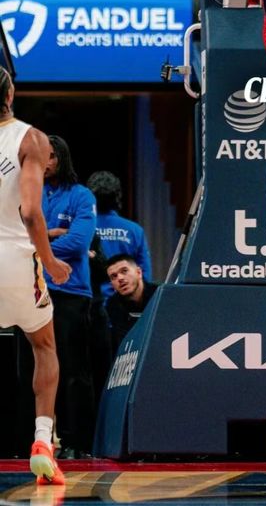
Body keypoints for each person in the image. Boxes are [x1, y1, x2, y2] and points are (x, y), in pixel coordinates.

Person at [0, 67, 71, 484]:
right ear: (10, 94)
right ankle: (43, 442)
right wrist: (50, 261)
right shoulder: (31, 139)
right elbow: (30, 212)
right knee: (44, 346)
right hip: (13, 259)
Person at [42, 135, 97, 458]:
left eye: (51, 156)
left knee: (74, 371)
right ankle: (31, 440)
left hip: (71, 293)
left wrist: (35, 245)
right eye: (40, 156)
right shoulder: (29, 194)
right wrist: (49, 236)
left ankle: (78, 443)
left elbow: (78, 243)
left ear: (62, 158)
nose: (45, 162)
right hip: (34, 292)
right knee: (31, 371)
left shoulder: (81, 196)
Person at [87, 170, 152, 298]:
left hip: (90, 303)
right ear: (117, 196)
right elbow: (144, 277)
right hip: (124, 304)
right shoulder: (134, 230)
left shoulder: (80, 229)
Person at [105, 254, 158, 354]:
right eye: (114, 276)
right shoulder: (112, 305)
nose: (120, 278)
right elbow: (123, 341)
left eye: (124, 271)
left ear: (139, 272)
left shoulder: (159, 293)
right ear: (112, 285)